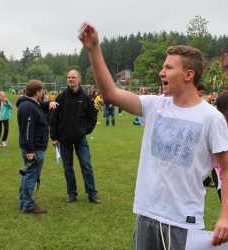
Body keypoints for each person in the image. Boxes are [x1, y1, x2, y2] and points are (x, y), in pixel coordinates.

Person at [79, 23, 228, 248]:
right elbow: (110, 93)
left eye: (168, 67)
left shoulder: (211, 118)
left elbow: (226, 168)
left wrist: (225, 217)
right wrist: (94, 49)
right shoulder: (154, 105)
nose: (161, 72)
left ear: (189, 75)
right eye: (162, 67)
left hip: (183, 223)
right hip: (146, 215)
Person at [50, 69, 99, 203]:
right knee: (68, 167)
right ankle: (72, 193)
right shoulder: (61, 97)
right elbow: (53, 119)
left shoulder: (86, 98)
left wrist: (86, 130)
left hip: (80, 138)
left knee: (86, 165)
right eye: (68, 77)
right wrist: (53, 137)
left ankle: (92, 193)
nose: (71, 79)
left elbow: (93, 116)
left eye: (73, 77)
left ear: (79, 79)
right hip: (64, 139)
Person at [17, 79, 57, 214]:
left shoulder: (30, 104)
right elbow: (28, 129)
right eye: (42, 91)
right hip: (34, 148)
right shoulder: (28, 106)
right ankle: (28, 205)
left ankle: (23, 201)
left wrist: (48, 104)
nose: (43, 93)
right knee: (31, 176)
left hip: (33, 147)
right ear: (37, 92)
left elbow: (39, 108)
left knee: (28, 175)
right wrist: (30, 151)